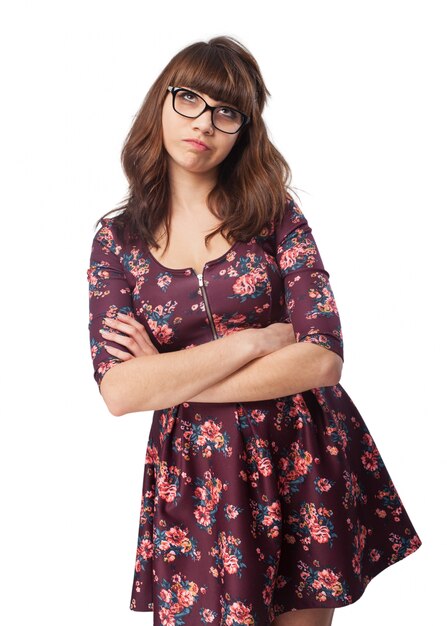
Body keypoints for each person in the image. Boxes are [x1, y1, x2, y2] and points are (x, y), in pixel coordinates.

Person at [86, 36, 422, 626]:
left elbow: (321, 360)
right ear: (159, 104)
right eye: (188, 99)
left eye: (226, 111)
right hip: (197, 472)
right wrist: (254, 339)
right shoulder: (117, 242)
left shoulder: (276, 215)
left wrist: (167, 379)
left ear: (244, 128)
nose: (204, 123)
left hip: (302, 452)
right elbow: (120, 392)